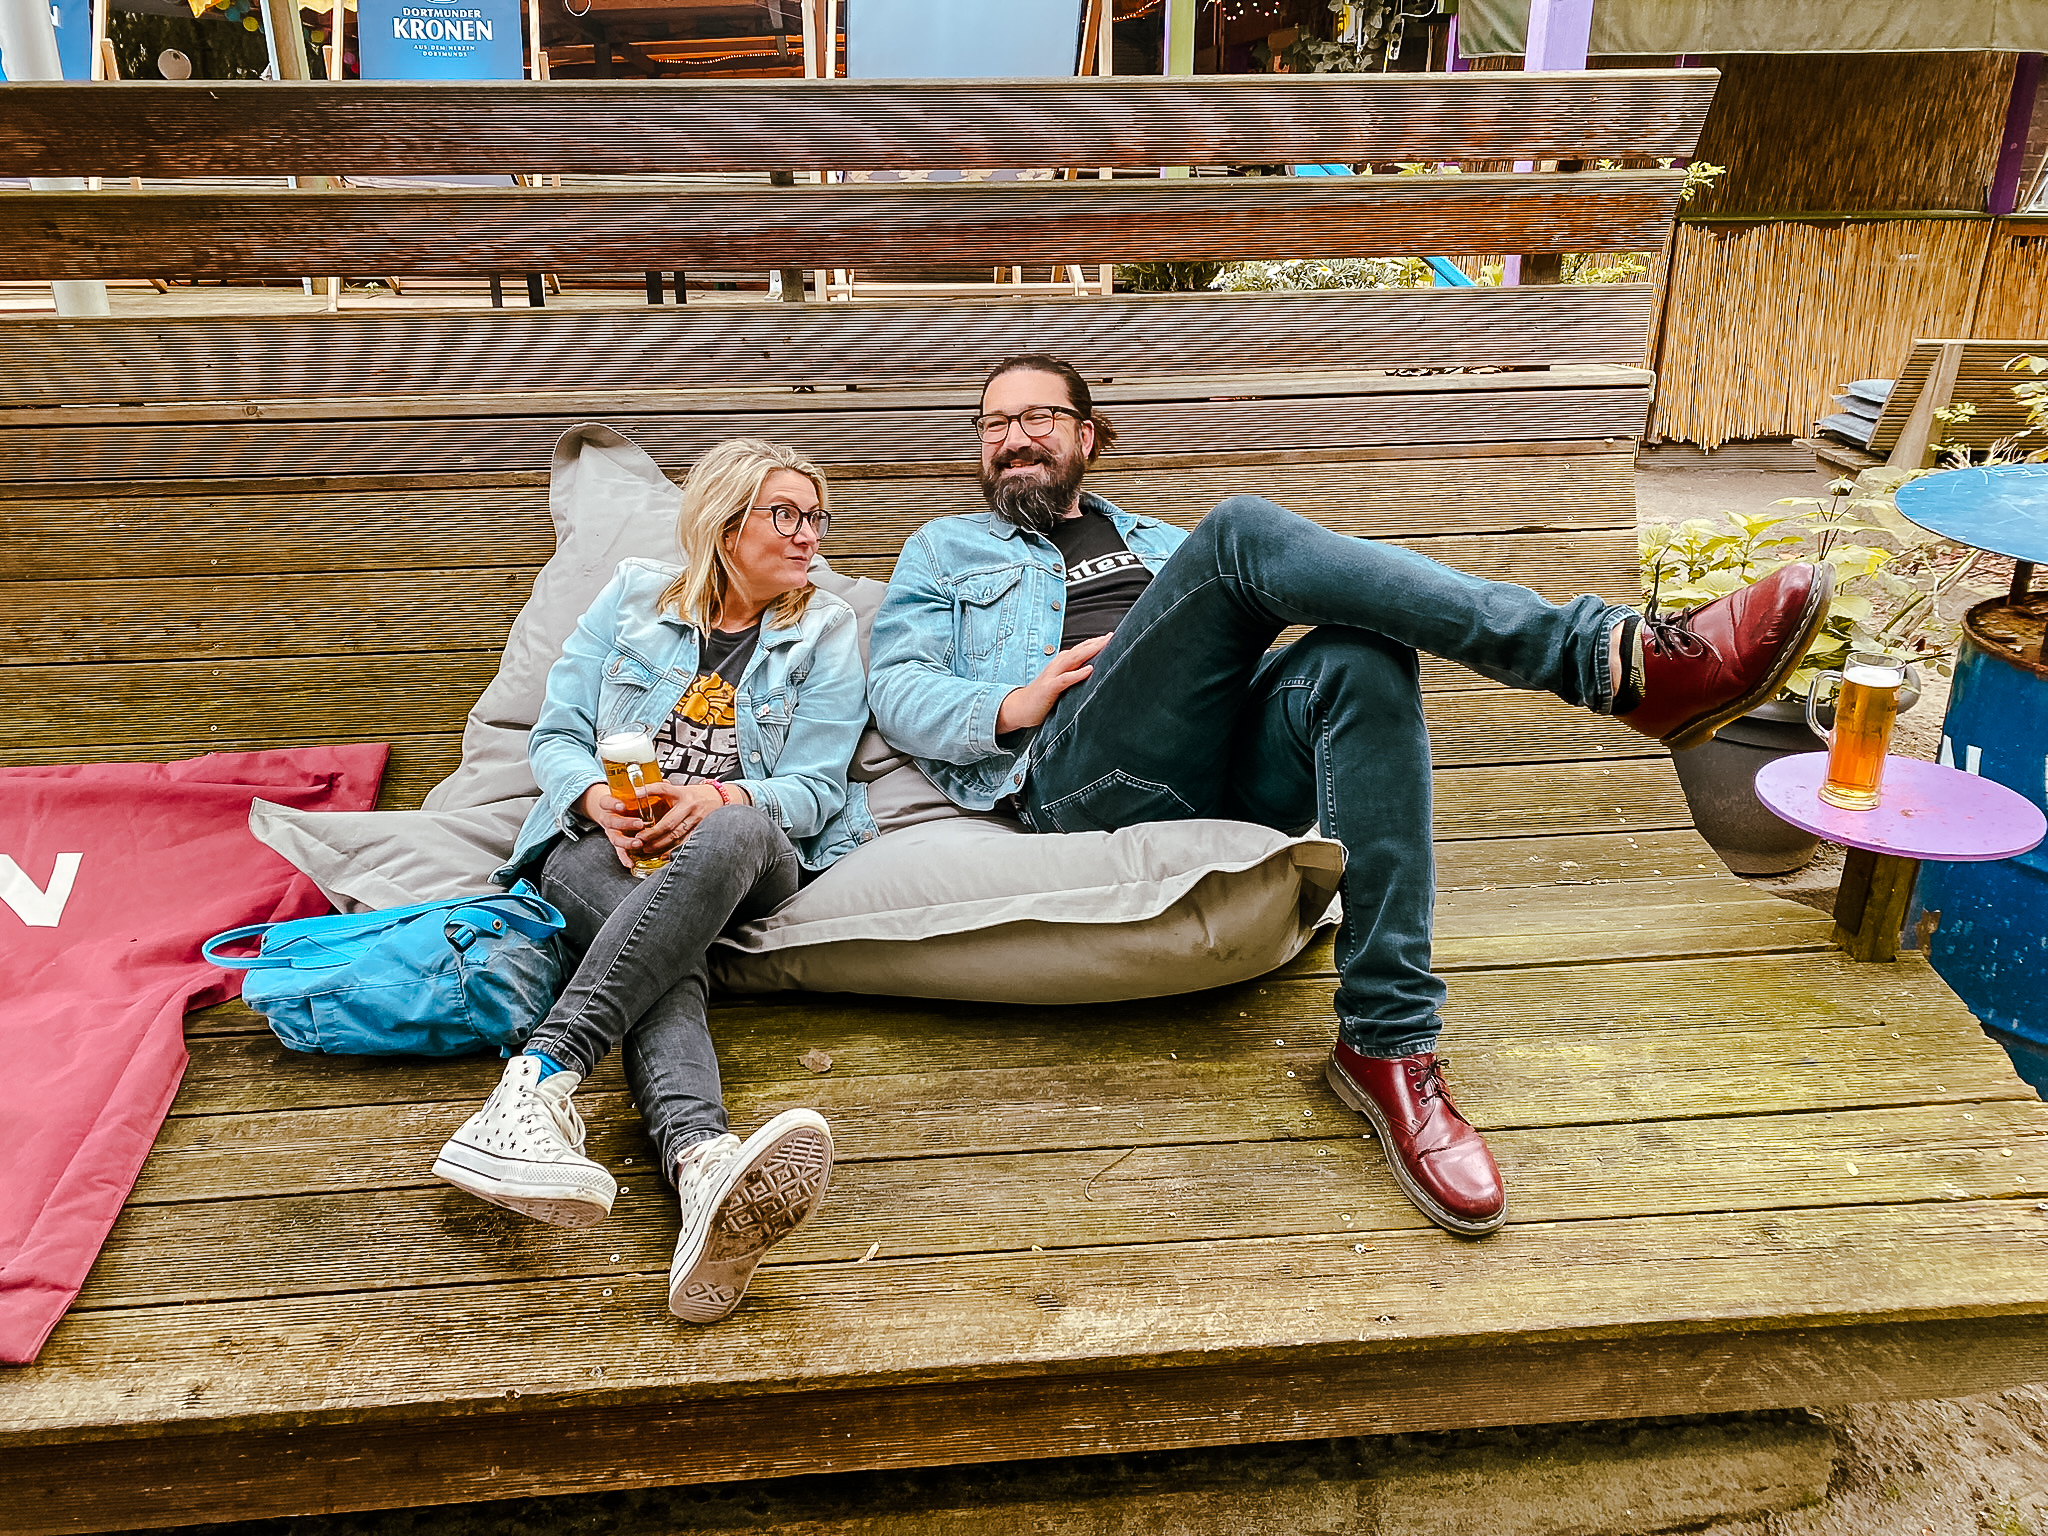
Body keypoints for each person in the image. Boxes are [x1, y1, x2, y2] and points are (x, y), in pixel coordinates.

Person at [868, 354, 1832, 1239]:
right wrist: (1013, 698)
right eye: (992, 426)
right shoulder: (945, 549)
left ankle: (1385, 1043)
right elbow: (897, 685)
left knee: (1363, 658)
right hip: (1079, 775)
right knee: (1244, 532)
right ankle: (1607, 660)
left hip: (1225, 773)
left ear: (1086, 436)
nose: (1013, 438)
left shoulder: (1159, 542)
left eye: (1038, 416)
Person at [433, 438, 868, 1323]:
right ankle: (704, 1166)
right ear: (725, 521)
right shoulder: (632, 598)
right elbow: (553, 738)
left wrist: (712, 795)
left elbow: (818, 790)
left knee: (734, 826)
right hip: (606, 846)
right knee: (663, 952)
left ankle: (538, 1081)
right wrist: (595, 800)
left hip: (744, 850)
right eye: (787, 514)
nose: (809, 535)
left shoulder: (824, 631)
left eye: (816, 516)